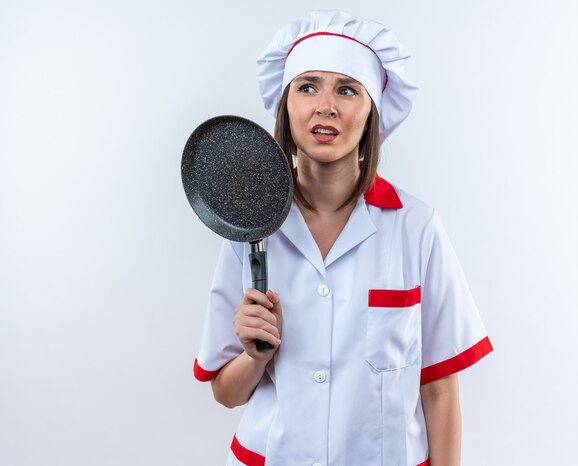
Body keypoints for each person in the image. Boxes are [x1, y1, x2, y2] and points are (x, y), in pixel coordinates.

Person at [193, 10, 493, 466]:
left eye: (347, 89)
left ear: (371, 110)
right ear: (286, 105)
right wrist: (254, 357)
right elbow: (225, 393)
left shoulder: (416, 227)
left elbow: (438, 388)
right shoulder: (248, 226)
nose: (325, 105)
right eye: (308, 86)